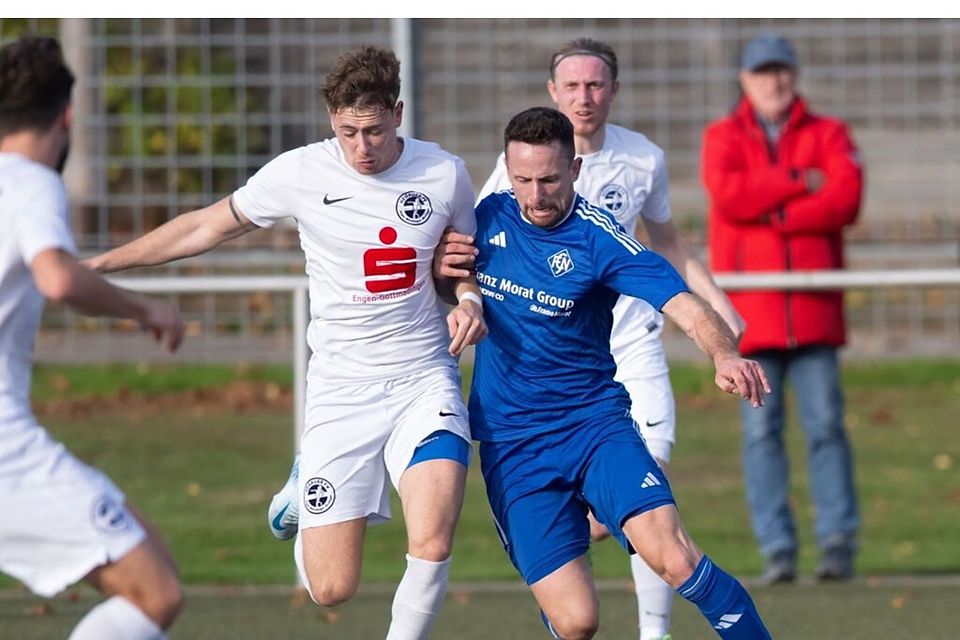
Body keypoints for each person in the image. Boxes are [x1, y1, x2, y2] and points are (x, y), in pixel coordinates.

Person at [86, 46, 487, 639]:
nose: (362, 147)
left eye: (374, 130)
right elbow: (204, 225)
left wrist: (470, 298)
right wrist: (95, 266)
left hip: (423, 379)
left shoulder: (445, 173)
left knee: (431, 537)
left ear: (398, 114)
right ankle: (304, 487)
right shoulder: (300, 173)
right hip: (340, 392)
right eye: (349, 131)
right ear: (331, 120)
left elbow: (457, 266)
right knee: (330, 589)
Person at [449, 37, 744, 640]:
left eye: (551, 181)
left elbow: (681, 299)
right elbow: (438, 266)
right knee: (577, 621)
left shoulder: (601, 236)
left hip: (593, 425)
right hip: (513, 443)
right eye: (524, 179)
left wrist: (724, 351)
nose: (536, 196)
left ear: (575, 171)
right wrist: (463, 296)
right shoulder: (483, 216)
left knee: (675, 556)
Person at [0, 36, 185, 640]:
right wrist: (146, 309)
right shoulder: (30, 182)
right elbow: (56, 278)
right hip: (5, 452)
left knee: (147, 550)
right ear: (67, 115)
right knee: (153, 591)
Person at [702, 32, 863, 584]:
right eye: (762, 71)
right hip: (753, 317)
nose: (774, 81)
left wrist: (771, 213)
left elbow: (845, 198)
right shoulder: (722, 136)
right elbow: (729, 196)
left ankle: (837, 542)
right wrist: (798, 182)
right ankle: (778, 548)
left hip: (814, 314)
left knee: (826, 427)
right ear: (745, 79)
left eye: (782, 70)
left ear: (794, 75)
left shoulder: (830, 132)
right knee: (760, 434)